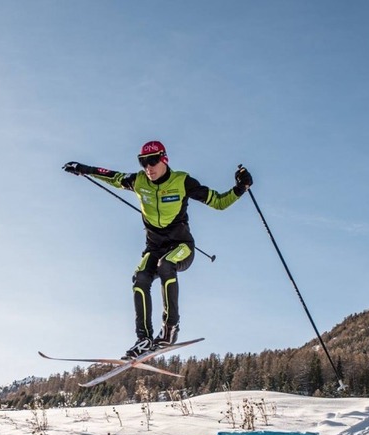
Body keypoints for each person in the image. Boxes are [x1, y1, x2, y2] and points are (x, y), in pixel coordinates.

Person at [64, 140, 253, 358]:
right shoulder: (138, 181)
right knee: (140, 278)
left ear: (164, 159)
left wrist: (241, 187)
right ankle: (144, 339)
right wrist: (83, 169)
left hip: (181, 246)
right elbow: (110, 176)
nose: (148, 167)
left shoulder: (182, 181)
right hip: (154, 248)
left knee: (166, 265)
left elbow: (219, 202)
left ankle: (170, 328)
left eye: (152, 161)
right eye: (143, 162)